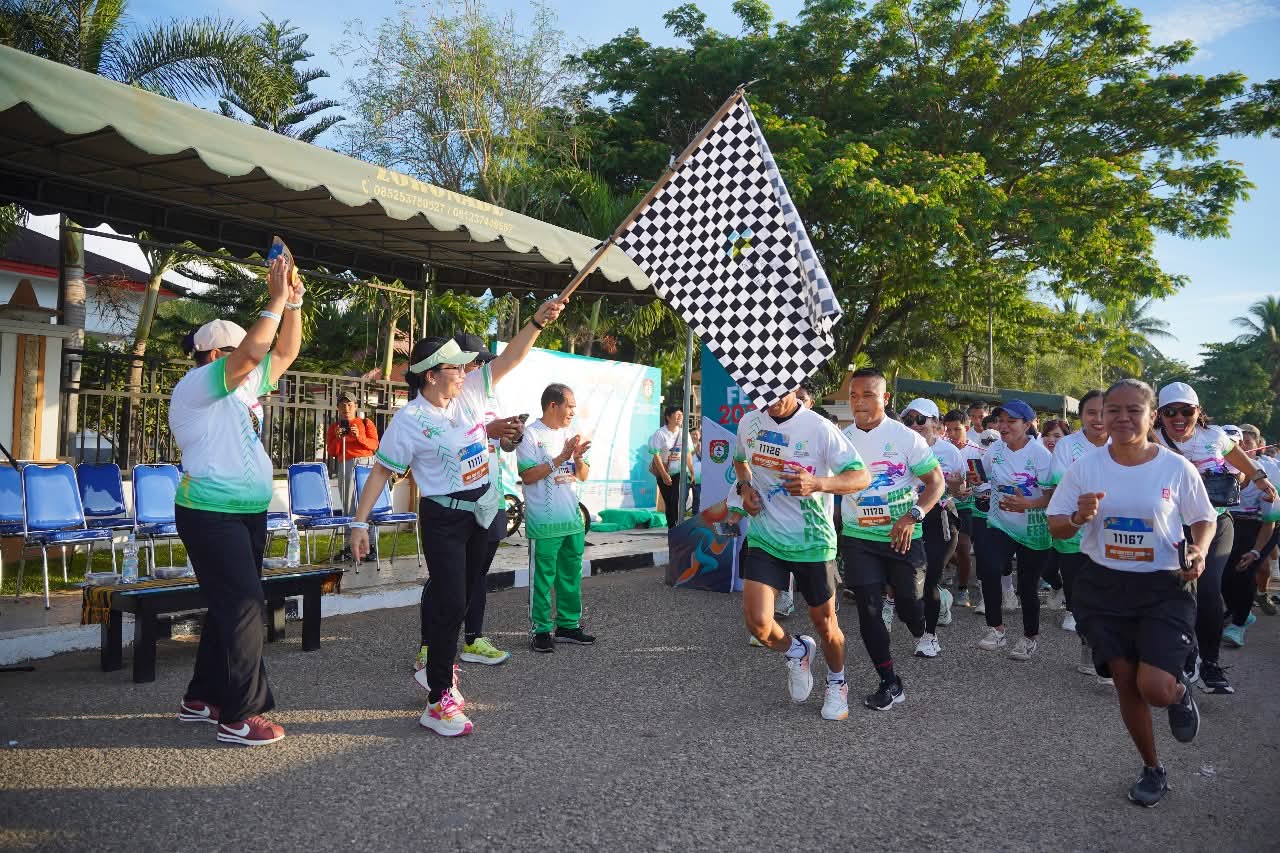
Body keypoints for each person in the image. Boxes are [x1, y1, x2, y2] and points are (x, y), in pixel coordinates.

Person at [349, 297, 567, 737]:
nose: (465, 372)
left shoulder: (468, 393)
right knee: (450, 601)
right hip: (443, 518)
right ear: (431, 375)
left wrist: (537, 322)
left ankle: (439, 667)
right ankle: (437, 698)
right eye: (455, 368)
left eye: (466, 368)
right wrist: (358, 523)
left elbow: (510, 356)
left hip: (482, 511)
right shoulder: (410, 420)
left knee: (465, 597)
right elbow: (381, 473)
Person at [1047, 378, 1212, 808]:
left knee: (1154, 687)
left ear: (1151, 415)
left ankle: (1178, 693)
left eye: (1132, 409)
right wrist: (1080, 517)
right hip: (1103, 585)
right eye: (1111, 409)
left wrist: (1200, 548)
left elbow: (1204, 518)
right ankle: (1153, 768)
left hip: (1162, 586)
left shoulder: (1175, 467)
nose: (1120, 418)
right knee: (1126, 684)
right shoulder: (1086, 467)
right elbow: (1056, 523)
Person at [171, 255, 302, 746]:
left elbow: (283, 352)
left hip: (245, 513)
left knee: (229, 604)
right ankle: (240, 714)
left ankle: (200, 697)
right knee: (246, 605)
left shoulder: (244, 388)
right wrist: (273, 298)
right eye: (229, 350)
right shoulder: (197, 387)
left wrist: (294, 302)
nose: (245, 358)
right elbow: (252, 355)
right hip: (210, 513)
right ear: (209, 356)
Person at [731, 386, 869, 721]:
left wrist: (817, 484)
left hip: (813, 542)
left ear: (795, 387)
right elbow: (740, 464)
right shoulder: (749, 423)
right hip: (765, 536)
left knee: (825, 625)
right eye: (763, 393)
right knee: (758, 624)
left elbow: (861, 476)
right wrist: (745, 487)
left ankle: (837, 681)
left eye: (780, 392)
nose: (772, 399)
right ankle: (797, 650)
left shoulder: (819, 428)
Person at [1153, 382, 1276, 694]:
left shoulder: (1214, 436)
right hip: (1172, 526)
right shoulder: (1151, 438)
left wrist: (1261, 481)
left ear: (1198, 412)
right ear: (1159, 414)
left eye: (1186, 410)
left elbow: (1236, 454)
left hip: (1216, 523)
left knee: (1208, 593)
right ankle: (1185, 652)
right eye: (1170, 411)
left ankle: (1209, 663)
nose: (1178, 417)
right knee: (1180, 594)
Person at [841, 369, 946, 708]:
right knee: (869, 611)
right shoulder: (842, 439)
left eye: (868, 395)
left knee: (908, 607)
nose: (859, 402)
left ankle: (926, 615)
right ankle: (889, 681)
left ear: (884, 399)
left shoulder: (906, 438)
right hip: (858, 535)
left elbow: (935, 484)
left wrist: (912, 515)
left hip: (903, 535)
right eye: (854, 395)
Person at [454, 332, 521, 665]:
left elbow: (503, 446)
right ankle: (429, 643)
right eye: (477, 361)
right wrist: (486, 432)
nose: (482, 366)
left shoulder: (493, 399)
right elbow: (449, 444)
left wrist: (512, 436)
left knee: (478, 572)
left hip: (490, 497)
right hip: (455, 499)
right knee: (448, 575)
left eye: (484, 361)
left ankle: (473, 639)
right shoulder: (446, 397)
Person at [973, 400, 1054, 661]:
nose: (1004, 426)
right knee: (988, 566)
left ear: (1028, 425)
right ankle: (996, 628)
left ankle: (1030, 637)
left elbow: (1055, 494)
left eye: (1012, 422)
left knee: (1027, 588)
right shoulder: (995, 450)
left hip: (1034, 528)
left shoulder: (1041, 455)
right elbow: (981, 477)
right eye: (1001, 421)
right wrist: (966, 483)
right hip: (1001, 522)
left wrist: (1028, 504)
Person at [518, 383, 595, 653]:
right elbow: (527, 476)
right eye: (569, 406)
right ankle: (540, 630)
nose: (573, 411)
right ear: (553, 405)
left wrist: (577, 458)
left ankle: (568, 625)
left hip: (572, 521)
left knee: (571, 576)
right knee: (542, 579)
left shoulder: (572, 433)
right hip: (544, 522)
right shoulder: (530, 435)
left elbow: (582, 475)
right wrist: (560, 457)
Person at [1044, 390, 1110, 679]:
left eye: (1104, 412)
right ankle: (1088, 642)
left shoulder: (1125, 444)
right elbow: (1061, 478)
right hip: (1072, 533)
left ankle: (1107, 651)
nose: (1098, 419)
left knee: (1110, 596)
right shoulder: (1068, 445)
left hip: (1113, 536)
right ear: (1080, 416)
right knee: (1081, 597)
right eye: (1091, 413)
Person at [900, 398, 964, 655]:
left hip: (941, 523)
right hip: (907, 522)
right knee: (907, 587)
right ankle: (943, 601)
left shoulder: (950, 452)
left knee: (929, 582)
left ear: (936, 423)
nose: (914, 425)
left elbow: (960, 490)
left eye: (921, 419)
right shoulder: (897, 447)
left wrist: (957, 486)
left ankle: (930, 636)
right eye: (908, 420)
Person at [1221, 425, 1277, 646]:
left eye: (1246, 448)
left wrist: (1255, 551)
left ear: (1257, 450)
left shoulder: (1269, 476)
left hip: (1264, 525)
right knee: (1222, 575)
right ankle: (1238, 611)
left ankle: (1239, 624)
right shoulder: (1212, 472)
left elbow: (1269, 522)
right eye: (1233, 448)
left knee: (1245, 571)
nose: (1239, 453)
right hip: (1229, 523)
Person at [326, 390, 379, 562]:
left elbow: (375, 445)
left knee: (367, 505)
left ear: (355, 406)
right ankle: (351, 546)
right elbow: (332, 451)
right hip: (346, 465)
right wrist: (336, 438)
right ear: (337, 408)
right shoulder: (335, 427)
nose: (346, 408)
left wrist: (360, 437)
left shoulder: (365, 422)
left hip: (365, 465)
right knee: (349, 506)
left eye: (349, 405)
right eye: (342, 405)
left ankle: (370, 546)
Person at [942, 410, 978, 606]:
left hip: (966, 505)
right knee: (943, 548)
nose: (952, 434)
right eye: (949, 430)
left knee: (964, 547)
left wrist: (969, 487)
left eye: (957, 429)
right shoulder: (942, 449)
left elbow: (980, 481)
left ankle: (963, 590)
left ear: (967, 428)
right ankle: (947, 568)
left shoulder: (976, 451)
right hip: (945, 503)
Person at [650, 407, 691, 528]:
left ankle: (678, 527)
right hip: (664, 472)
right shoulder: (660, 433)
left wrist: (692, 471)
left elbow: (688, 452)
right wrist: (663, 474)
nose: (680, 417)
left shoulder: (684, 433)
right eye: (677, 414)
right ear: (668, 417)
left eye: (681, 415)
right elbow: (656, 455)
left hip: (679, 472)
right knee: (669, 502)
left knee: (677, 500)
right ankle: (672, 528)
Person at [689, 426, 703, 515]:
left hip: (698, 477)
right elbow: (686, 456)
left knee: (697, 497)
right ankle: (680, 517)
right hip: (687, 476)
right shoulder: (687, 445)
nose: (694, 436)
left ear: (700, 435)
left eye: (696, 434)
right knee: (684, 496)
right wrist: (695, 450)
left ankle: (695, 515)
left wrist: (699, 451)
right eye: (692, 434)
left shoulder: (703, 445)